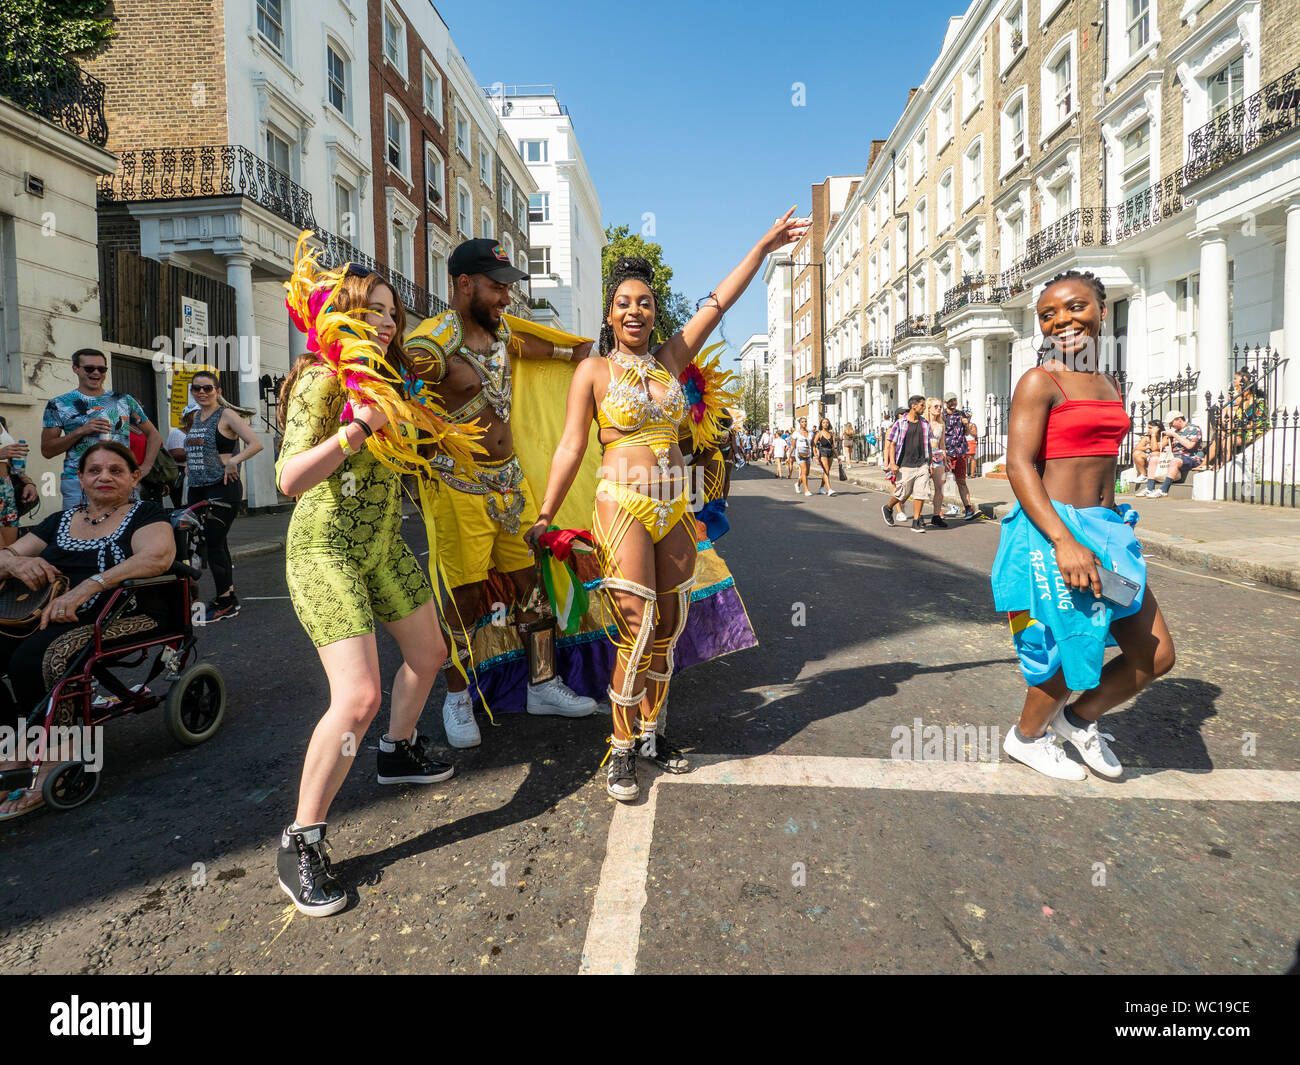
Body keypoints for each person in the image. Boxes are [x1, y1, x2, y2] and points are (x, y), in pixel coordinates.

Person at [528, 207, 808, 801]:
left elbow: (717, 302)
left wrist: (763, 245)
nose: (636, 311)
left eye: (646, 302)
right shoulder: (594, 372)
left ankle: (653, 735)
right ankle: (621, 750)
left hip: (675, 507)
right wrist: (547, 515)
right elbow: (571, 446)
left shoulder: (671, 361)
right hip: (623, 503)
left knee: (670, 627)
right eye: (625, 302)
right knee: (637, 625)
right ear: (610, 313)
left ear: (656, 313)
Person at [275, 248, 463, 916]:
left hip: (380, 546)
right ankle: (302, 838)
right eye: (374, 310)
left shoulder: (392, 386)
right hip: (324, 549)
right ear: (345, 312)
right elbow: (289, 479)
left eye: (393, 313)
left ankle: (399, 748)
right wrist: (358, 429)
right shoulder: (325, 380)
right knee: (356, 696)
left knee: (430, 654)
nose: (387, 323)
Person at [405, 239, 598, 749]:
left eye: (507, 288)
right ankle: (456, 696)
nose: (505, 298)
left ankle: (542, 684)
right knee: (464, 596)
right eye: (496, 287)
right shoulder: (434, 341)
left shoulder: (502, 330)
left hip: (510, 482)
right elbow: (405, 370)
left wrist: (568, 353)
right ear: (464, 285)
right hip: (457, 485)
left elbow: (526, 347)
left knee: (533, 584)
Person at [992, 270, 1174, 781]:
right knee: (1065, 654)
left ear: (1100, 307)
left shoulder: (1109, 383)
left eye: (1075, 307)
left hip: (1104, 530)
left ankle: (1077, 720)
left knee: (1154, 654)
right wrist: (1064, 540)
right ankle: (1026, 738)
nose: (1062, 321)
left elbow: (1107, 464)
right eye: (1048, 315)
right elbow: (1019, 465)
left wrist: (1117, 525)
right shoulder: (1039, 381)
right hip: (1055, 531)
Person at [0, 441, 175, 819]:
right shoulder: (60, 521)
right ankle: (18, 742)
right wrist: (12, 565)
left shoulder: (146, 514)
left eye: (116, 470)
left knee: (37, 658)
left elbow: (156, 557)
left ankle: (58, 757)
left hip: (122, 614)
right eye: (94, 470)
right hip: (46, 613)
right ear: (80, 478)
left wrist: (89, 586)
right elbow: (10, 555)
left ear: (134, 477)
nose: (104, 477)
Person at [184, 370, 264, 622]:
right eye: (196, 388)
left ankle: (226, 601)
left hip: (222, 487)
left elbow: (255, 443)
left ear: (218, 391)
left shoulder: (227, 414)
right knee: (202, 543)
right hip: (197, 487)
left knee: (214, 543)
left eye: (207, 388)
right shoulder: (195, 416)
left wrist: (235, 461)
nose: (201, 392)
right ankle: (221, 596)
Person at [41, 348, 163, 510]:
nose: (96, 373)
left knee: (124, 531)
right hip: (79, 483)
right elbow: (47, 450)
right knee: (80, 532)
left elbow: (154, 435)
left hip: (121, 480)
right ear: (75, 369)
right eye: (89, 369)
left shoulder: (124, 400)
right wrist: (81, 430)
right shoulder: (58, 404)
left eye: (102, 369)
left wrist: (145, 467)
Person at [881, 396, 931, 532]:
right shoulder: (900, 423)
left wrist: (930, 463)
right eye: (922, 405)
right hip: (905, 464)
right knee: (902, 493)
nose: (924, 407)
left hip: (922, 464)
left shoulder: (925, 423)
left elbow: (928, 445)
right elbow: (892, 444)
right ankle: (888, 508)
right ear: (913, 406)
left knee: (921, 493)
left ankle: (915, 522)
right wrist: (892, 463)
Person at [1140, 410, 1202, 498]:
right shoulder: (1176, 431)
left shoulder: (1194, 428)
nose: (1170, 425)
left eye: (1171, 422)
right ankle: (1150, 488)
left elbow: (1189, 446)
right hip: (1174, 456)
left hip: (1191, 458)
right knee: (1154, 458)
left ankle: (1163, 490)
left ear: (1179, 419)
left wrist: (1174, 434)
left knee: (1175, 461)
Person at [0, 416, 38, 546]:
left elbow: (11, 461)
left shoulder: (1, 421)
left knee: (9, 553)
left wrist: (28, 482)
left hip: (6, 490)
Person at [943, 394, 979, 520]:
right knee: (943, 482)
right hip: (947, 453)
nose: (953, 403)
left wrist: (966, 424)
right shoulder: (942, 415)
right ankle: (941, 510)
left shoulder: (961, 414)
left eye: (955, 400)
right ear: (945, 402)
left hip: (960, 452)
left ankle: (968, 508)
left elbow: (967, 433)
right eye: (950, 401)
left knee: (961, 481)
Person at [925, 397, 949, 527]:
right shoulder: (923, 423)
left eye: (940, 406)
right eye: (936, 406)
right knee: (922, 487)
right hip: (924, 455)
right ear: (928, 408)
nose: (939, 409)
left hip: (937, 456)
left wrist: (945, 460)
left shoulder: (941, 424)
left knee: (940, 487)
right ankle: (918, 515)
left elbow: (942, 444)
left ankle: (936, 515)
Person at [166, 404, 195, 508]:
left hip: (197, 473)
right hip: (182, 474)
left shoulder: (202, 433)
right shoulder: (177, 434)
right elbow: (176, 455)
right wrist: (197, 449)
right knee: (183, 507)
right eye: (194, 414)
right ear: (186, 417)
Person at [1130, 419, 1163, 491]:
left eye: (1150, 428)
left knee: (1154, 453)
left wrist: (1154, 435)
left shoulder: (1164, 437)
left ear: (1157, 429)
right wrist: (1147, 447)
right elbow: (1136, 448)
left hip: (1159, 459)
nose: (1148, 430)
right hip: (1148, 458)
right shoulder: (1147, 437)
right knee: (1137, 453)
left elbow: (1154, 449)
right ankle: (1144, 475)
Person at [814, 417, 837, 495]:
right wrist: (816, 456)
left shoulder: (831, 433)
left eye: (827, 422)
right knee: (826, 471)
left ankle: (821, 488)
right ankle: (829, 489)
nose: (825, 424)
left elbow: (833, 446)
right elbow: (813, 444)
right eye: (823, 422)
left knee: (826, 471)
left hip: (830, 453)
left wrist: (837, 456)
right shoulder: (819, 433)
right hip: (823, 452)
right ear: (821, 424)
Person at [792, 416, 813, 496]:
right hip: (799, 453)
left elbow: (813, 444)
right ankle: (806, 490)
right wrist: (789, 456)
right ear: (800, 423)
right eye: (802, 422)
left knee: (807, 473)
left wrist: (816, 453)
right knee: (803, 471)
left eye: (805, 421)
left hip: (808, 453)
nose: (804, 423)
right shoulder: (796, 433)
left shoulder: (810, 433)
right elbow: (792, 446)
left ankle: (797, 484)